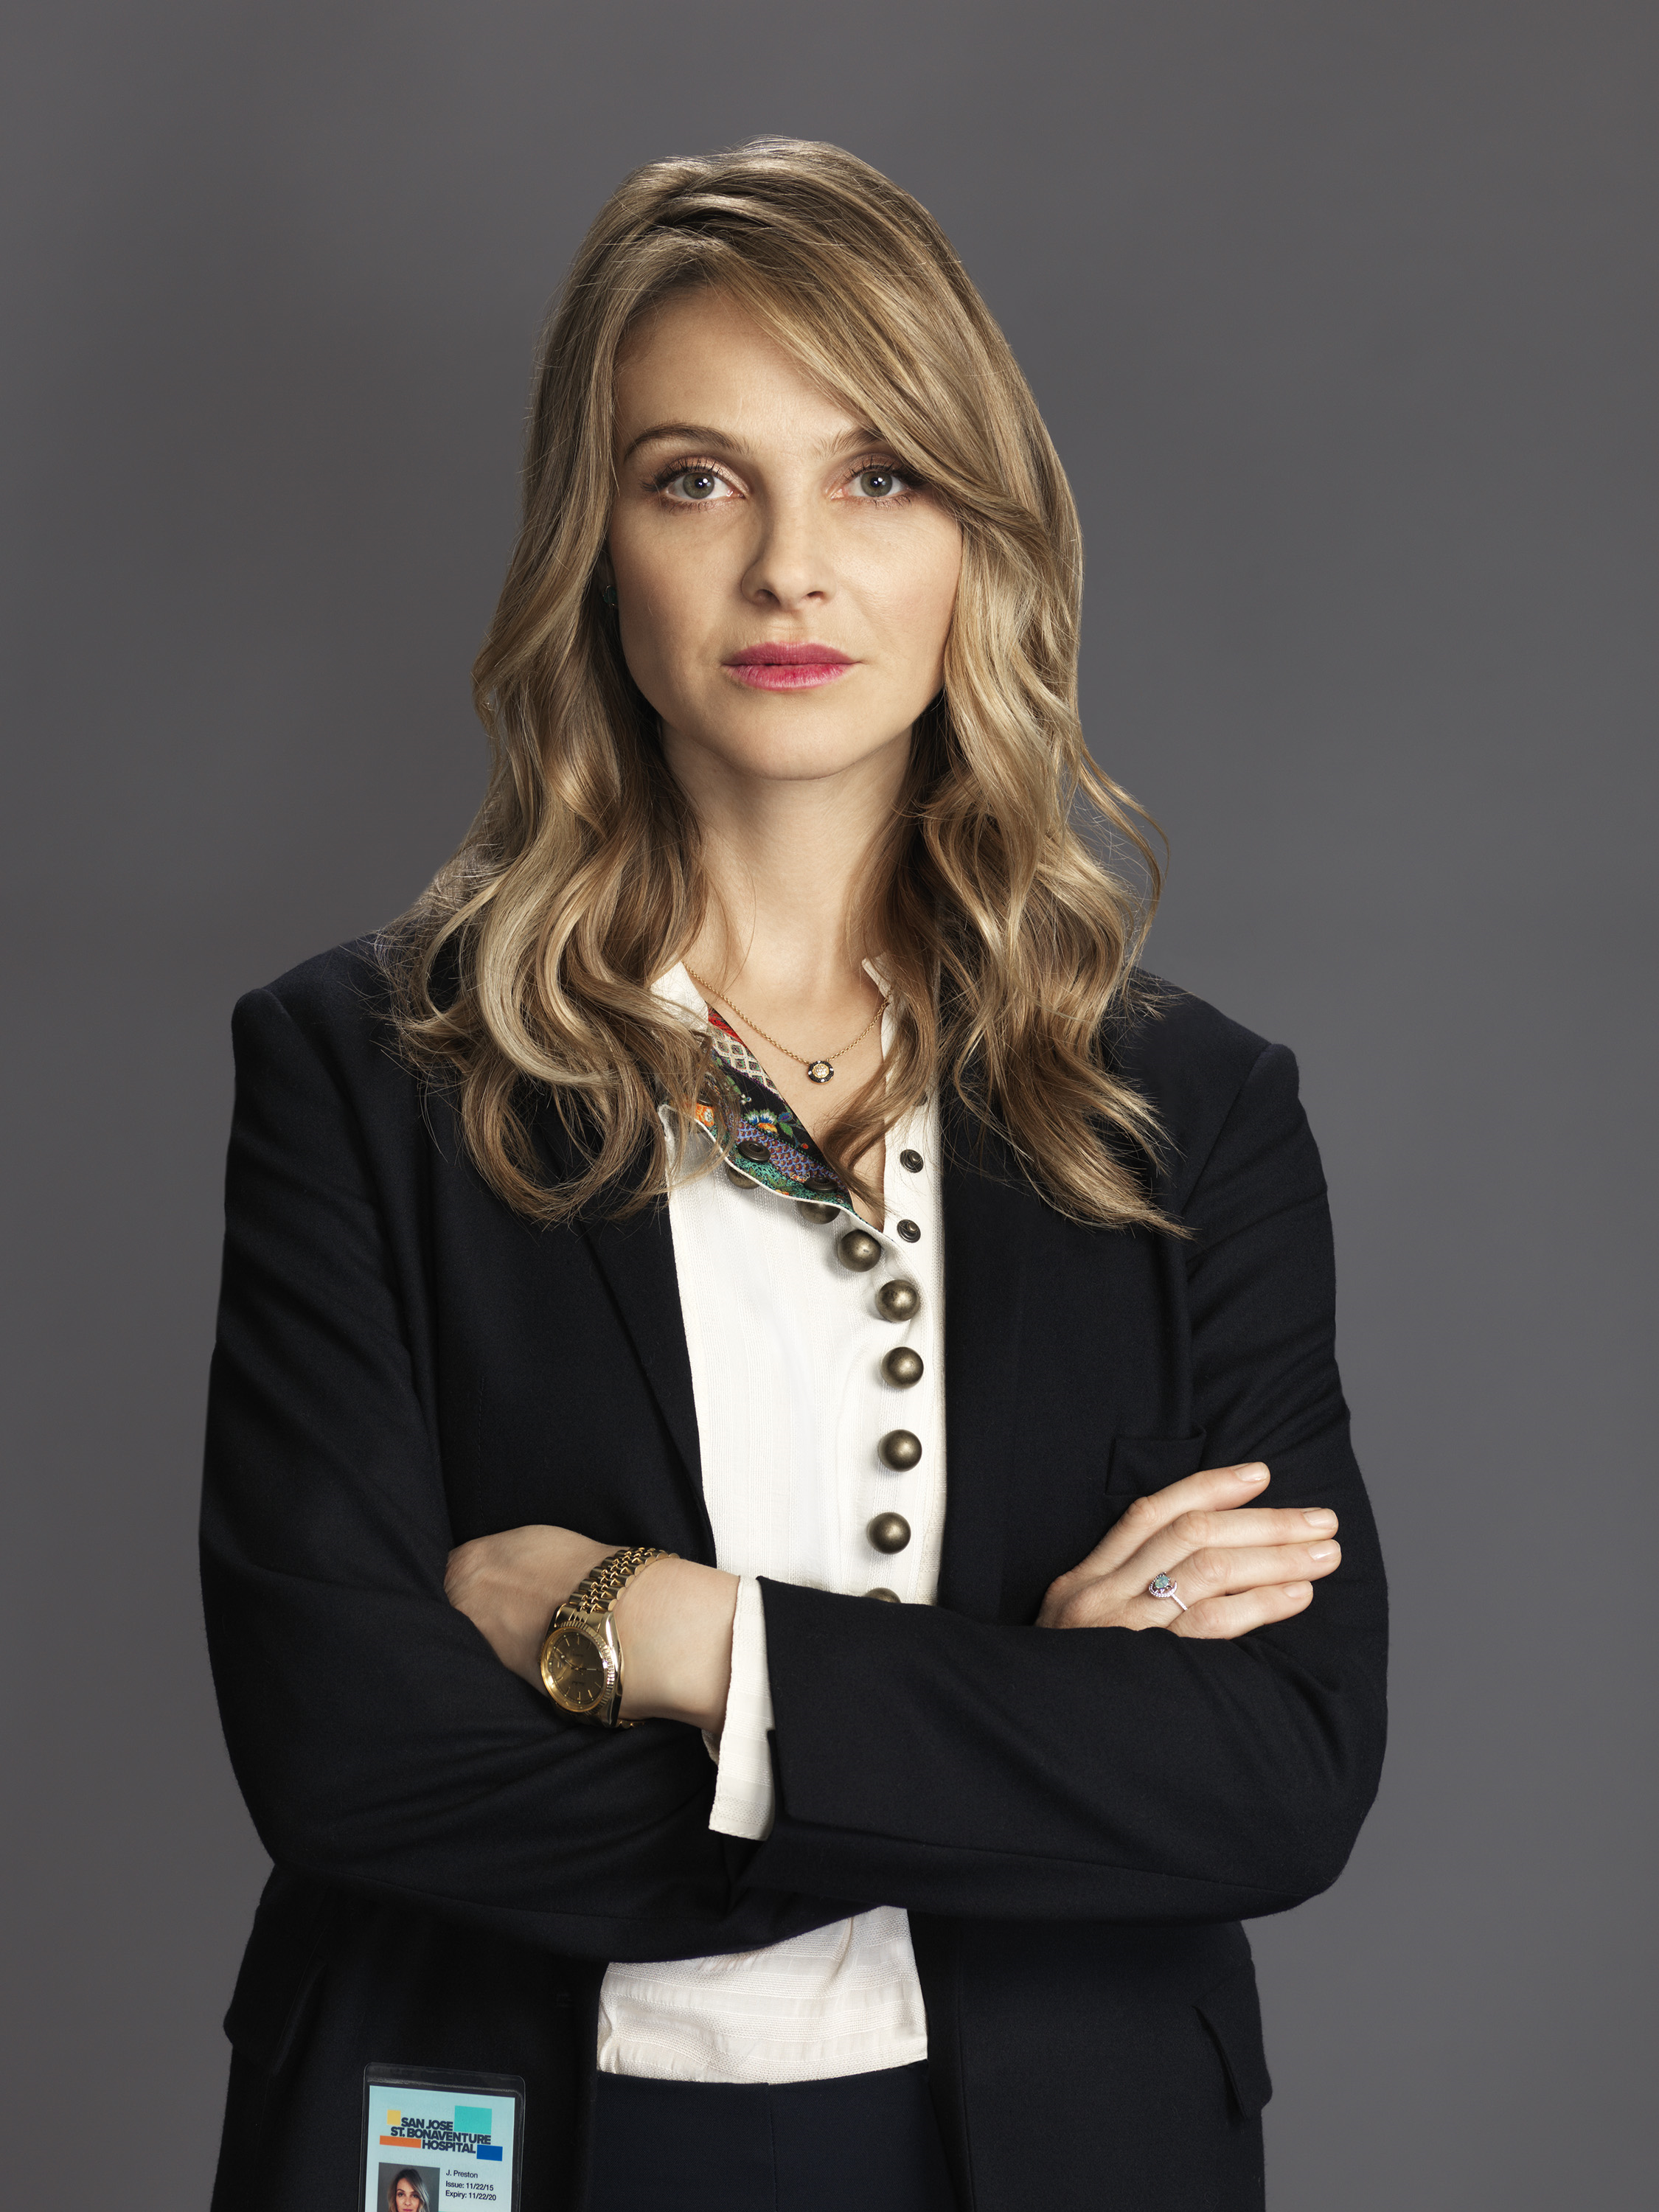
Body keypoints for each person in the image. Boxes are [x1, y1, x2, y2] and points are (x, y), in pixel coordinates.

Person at [202, 139, 1386, 2212]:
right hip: (487, 2132)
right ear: (593, 546)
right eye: (695, 479)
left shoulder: (1188, 1115)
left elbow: (1274, 1778)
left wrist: (678, 1639)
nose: (791, 570)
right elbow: (356, 1760)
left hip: (1053, 2142)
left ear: (982, 543)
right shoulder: (366, 1072)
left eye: (880, 477)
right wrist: (1036, 1731)